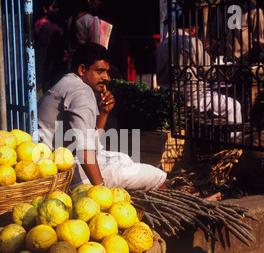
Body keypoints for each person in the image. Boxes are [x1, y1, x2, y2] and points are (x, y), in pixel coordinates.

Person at [37, 42, 167, 191]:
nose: (107, 77)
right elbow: (85, 152)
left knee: (123, 159)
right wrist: (101, 190)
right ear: (82, 69)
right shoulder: (81, 92)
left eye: (106, 71)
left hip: (56, 163)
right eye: (100, 71)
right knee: (154, 175)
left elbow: (92, 144)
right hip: (61, 172)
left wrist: (103, 113)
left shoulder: (68, 82)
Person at [155, 13, 243, 131]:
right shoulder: (191, 42)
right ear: (193, 28)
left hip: (169, 96)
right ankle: (234, 144)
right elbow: (208, 71)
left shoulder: (162, 45)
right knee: (234, 106)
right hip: (192, 98)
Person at [34, 0, 68, 94]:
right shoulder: (43, 25)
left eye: (58, 7)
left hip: (54, 66)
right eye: (54, 7)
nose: (57, 10)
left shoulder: (54, 24)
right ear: (45, 8)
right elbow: (43, 50)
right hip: (46, 68)